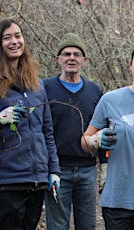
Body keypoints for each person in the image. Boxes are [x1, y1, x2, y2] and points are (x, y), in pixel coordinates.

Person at [0, 18, 60, 230]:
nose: (14, 41)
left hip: (35, 183)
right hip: (2, 185)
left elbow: (47, 133)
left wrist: (53, 171)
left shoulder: (37, 85)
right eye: (7, 38)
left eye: (18, 36)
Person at [81, 42, 134, 230]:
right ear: (131, 64)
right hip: (117, 202)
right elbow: (85, 140)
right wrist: (95, 141)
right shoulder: (110, 100)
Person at [43, 33, 104, 230]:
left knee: (87, 225)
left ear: (84, 60)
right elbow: (41, 129)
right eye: (66, 54)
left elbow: (102, 127)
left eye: (77, 54)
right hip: (57, 170)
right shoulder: (45, 88)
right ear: (58, 59)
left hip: (87, 170)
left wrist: (104, 165)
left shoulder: (95, 91)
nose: (72, 58)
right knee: (57, 226)